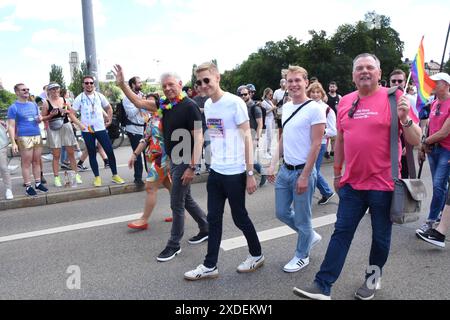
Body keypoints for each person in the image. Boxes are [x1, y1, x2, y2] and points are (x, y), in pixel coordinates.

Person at [293, 53, 421, 300]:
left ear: (379, 73)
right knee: (341, 233)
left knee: (381, 239)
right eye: (359, 68)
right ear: (353, 76)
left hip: (384, 185)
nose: (364, 71)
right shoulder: (346, 102)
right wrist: (338, 172)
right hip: (352, 184)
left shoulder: (395, 98)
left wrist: (405, 120)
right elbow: (340, 139)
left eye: (369, 67)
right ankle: (322, 285)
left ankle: (372, 280)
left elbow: (415, 140)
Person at [114, 64, 209, 262]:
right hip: (171, 159)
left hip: (185, 159)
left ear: (180, 84)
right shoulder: (165, 105)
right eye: (164, 86)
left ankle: (174, 245)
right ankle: (206, 227)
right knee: (186, 199)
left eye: (171, 85)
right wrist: (122, 85)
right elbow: (139, 102)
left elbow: (198, 138)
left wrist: (192, 166)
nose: (167, 89)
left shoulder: (190, 106)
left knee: (177, 203)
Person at [184, 62, 264, 280]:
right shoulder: (208, 105)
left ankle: (256, 254)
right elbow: (217, 135)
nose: (203, 85)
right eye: (199, 82)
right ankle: (210, 265)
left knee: (240, 218)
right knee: (214, 219)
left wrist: (249, 173)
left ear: (217, 77)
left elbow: (248, 138)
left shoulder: (234, 102)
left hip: (235, 172)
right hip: (216, 172)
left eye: (206, 80)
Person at [267, 66, 325, 273]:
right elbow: (284, 137)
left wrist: (305, 175)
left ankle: (302, 255)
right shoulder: (287, 107)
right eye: (289, 81)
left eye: (297, 80)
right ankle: (309, 235)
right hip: (285, 169)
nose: (293, 85)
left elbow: (316, 144)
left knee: (302, 217)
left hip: (303, 171)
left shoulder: (315, 109)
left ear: (306, 82)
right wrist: (273, 162)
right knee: (281, 212)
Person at [127, 93, 173, 230]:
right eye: (146, 101)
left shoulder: (167, 117)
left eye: (151, 101)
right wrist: (134, 154)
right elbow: (145, 138)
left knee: (150, 187)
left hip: (163, 157)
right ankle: (180, 213)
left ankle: (144, 220)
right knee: (171, 186)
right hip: (153, 156)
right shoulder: (151, 119)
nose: (147, 104)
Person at [71, 76, 125, 187]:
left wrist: (109, 119)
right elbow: (71, 113)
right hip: (87, 131)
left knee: (109, 151)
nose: (89, 85)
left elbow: (109, 108)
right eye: (86, 83)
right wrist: (80, 124)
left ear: (94, 84)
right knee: (91, 153)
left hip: (101, 129)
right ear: (83, 85)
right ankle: (97, 177)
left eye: (91, 83)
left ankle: (115, 175)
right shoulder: (79, 98)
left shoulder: (99, 96)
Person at [416, 72, 450, 236]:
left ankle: (431, 220)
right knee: (441, 187)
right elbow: (428, 125)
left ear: (446, 84)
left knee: (438, 186)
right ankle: (440, 216)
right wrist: (423, 144)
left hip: (446, 150)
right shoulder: (434, 102)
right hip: (433, 149)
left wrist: (424, 143)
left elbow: (444, 133)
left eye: (437, 82)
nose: (433, 84)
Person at [7, 83, 48, 196]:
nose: (26, 91)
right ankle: (28, 186)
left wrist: (39, 119)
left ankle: (38, 183)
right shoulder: (13, 107)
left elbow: (37, 118)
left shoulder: (33, 104)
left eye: (27, 89)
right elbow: (10, 126)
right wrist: (13, 142)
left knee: (37, 161)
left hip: (36, 135)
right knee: (26, 163)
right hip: (24, 137)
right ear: (17, 92)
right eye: (23, 89)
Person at [40, 83, 82, 187]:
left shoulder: (65, 100)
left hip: (66, 125)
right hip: (53, 128)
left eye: (57, 89)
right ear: (48, 91)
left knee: (71, 153)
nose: (55, 91)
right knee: (56, 155)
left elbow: (72, 113)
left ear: (59, 90)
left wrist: (67, 111)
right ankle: (56, 177)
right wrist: (51, 115)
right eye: (52, 89)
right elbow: (42, 118)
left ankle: (76, 174)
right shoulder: (46, 103)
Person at [306, 82, 337, 205]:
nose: (315, 94)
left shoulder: (327, 109)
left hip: (320, 143)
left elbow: (333, 130)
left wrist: (320, 131)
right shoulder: (305, 106)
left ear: (322, 94)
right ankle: (327, 192)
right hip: (306, 143)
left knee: (312, 171)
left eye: (317, 92)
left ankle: (308, 198)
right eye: (312, 92)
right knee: (310, 170)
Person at [238, 86, 267, 187]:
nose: (243, 96)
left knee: (248, 158)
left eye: (245, 94)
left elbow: (260, 124)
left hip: (252, 135)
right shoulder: (239, 106)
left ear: (249, 94)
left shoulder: (255, 107)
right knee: (246, 157)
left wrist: (257, 138)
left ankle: (262, 172)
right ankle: (262, 172)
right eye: (240, 94)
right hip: (241, 136)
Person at [123, 76, 147, 186]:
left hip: (144, 127)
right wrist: (140, 103)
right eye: (139, 82)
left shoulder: (141, 95)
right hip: (133, 129)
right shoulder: (127, 98)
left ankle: (150, 174)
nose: (141, 84)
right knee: (137, 153)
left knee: (148, 153)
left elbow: (147, 111)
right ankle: (138, 178)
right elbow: (131, 114)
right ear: (133, 85)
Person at [325, 81, 342, 159]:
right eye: (331, 87)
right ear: (329, 88)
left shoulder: (339, 97)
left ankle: (332, 151)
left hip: (336, 118)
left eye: (333, 86)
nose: (332, 88)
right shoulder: (325, 96)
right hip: (327, 118)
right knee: (326, 135)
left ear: (336, 88)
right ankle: (326, 151)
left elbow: (341, 107)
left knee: (335, 134)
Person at [261, 88, 277, 158]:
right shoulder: (263, 102)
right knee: (268, 136)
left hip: (272, 119)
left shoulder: (270, 101)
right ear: (266, 94)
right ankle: (265, 152)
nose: (271, 96)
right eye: (270, 94)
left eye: (272, 94)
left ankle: (269, 151)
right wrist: (272, 109)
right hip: (267, 119)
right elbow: (264, 113)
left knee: (271, 136)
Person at [0, 119, 13, 200]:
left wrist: (5, 125)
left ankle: (8, 189)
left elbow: (8, 125)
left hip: (1, 145)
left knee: (3, 167)